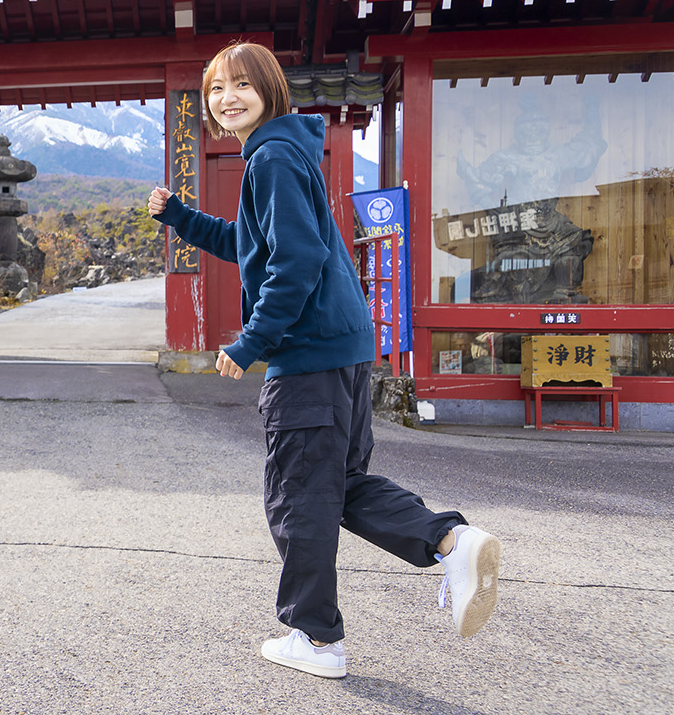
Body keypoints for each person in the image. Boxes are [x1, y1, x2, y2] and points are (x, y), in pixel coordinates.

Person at [148, 41, 501, 680]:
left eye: (240, 85)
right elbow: (248, 244)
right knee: (334, 488)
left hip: (307, 356)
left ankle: (316, 640)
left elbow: (296, 263)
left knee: (297, 499)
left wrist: (251, 342)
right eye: (214, 90)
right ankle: (451, 543)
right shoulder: (281, 153)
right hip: (341, 350)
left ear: (270, 89)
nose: (226, 98)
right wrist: (180, 216)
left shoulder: (272, 158)